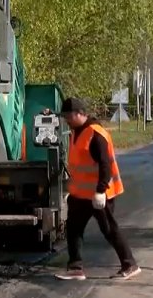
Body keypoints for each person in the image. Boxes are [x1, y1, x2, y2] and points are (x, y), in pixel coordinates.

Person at [54, 98, 140, 281]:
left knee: (109, 229)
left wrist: (101, 190)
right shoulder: (76, 132)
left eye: (68, 116)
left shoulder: (95, 134)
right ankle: (75, 267)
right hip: (80, 195)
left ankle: (130, 264)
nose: (66, 120)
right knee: (74, 229)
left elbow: (105, 166)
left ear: (79, 113)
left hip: (99, 195)